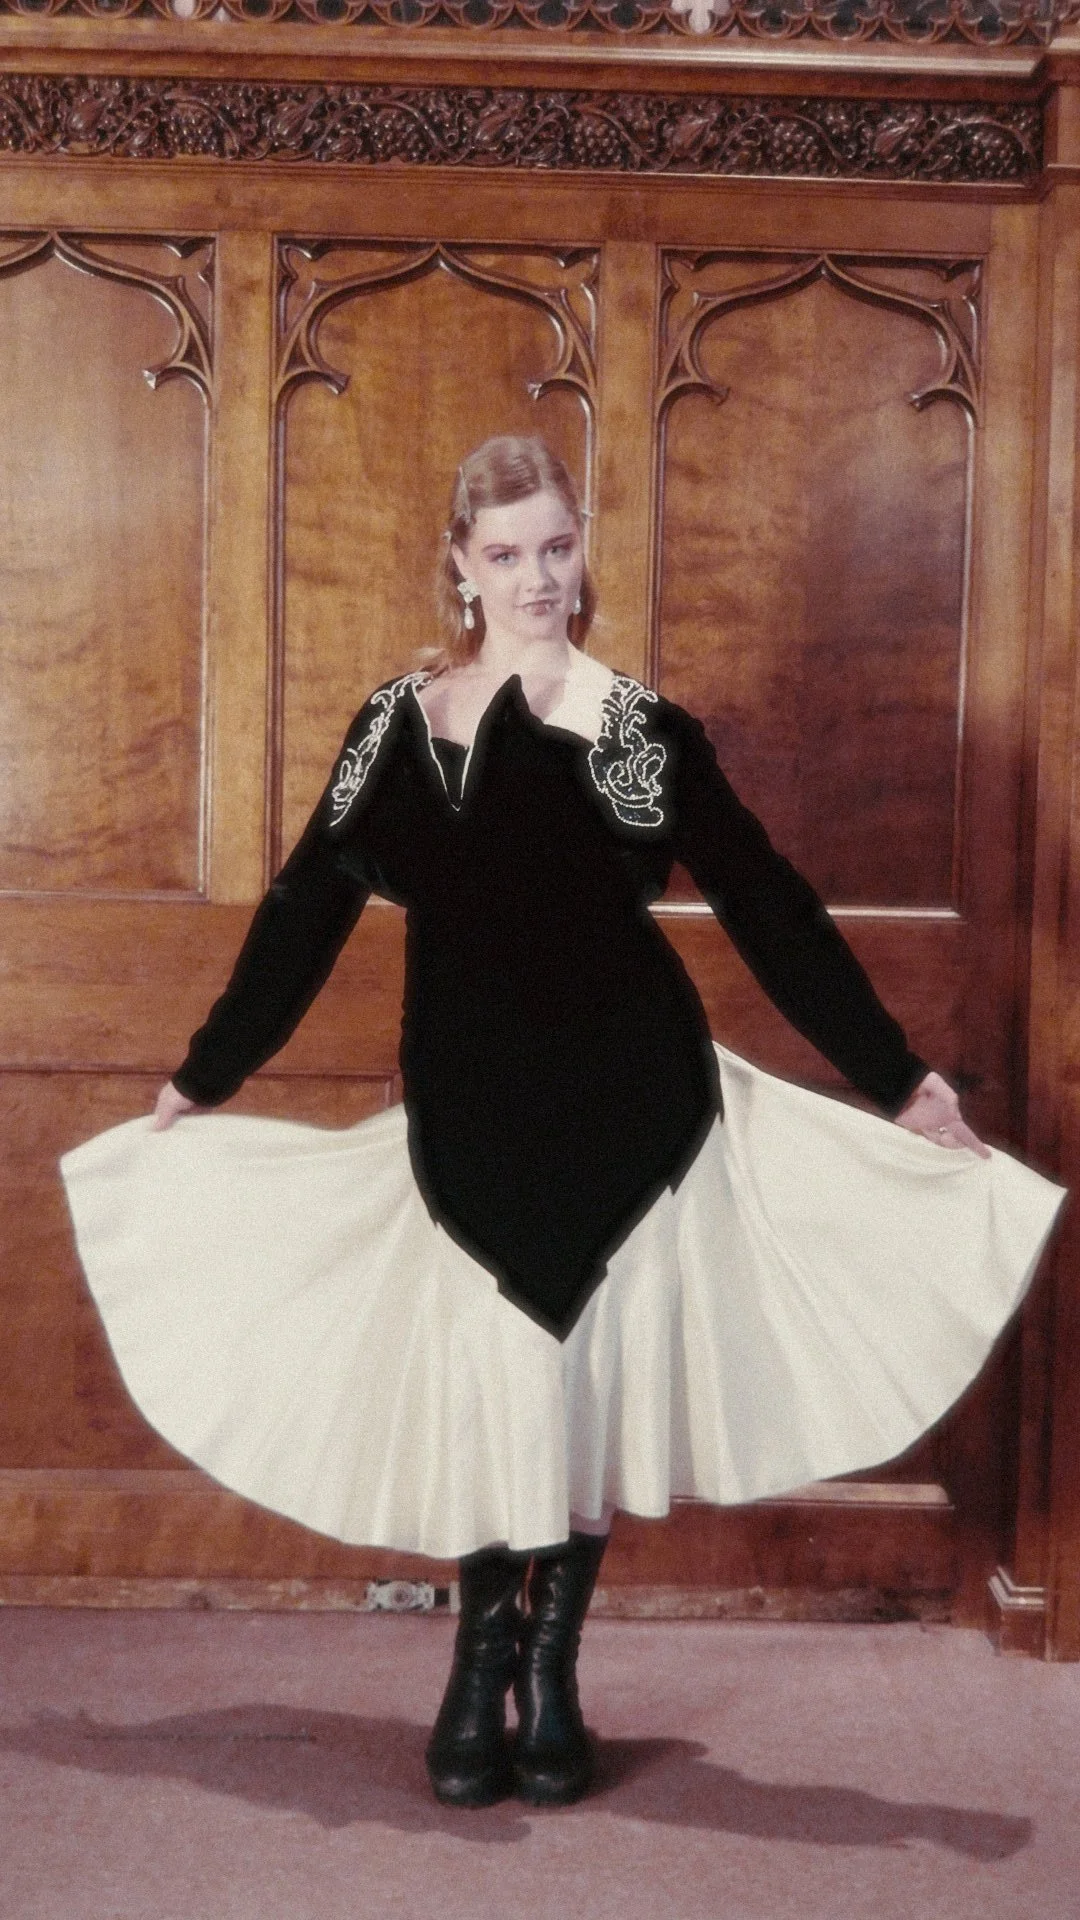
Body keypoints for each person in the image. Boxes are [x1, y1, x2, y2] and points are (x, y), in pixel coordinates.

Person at [63, 435, 1064, 1814]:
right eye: (505, 553)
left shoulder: (643, 730)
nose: (535, 577)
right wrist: (205, 1076)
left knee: (585, 1389)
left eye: (555, 546)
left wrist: (899, 1080)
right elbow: (304, 910)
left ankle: (552, 1672)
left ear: (582, 546)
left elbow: (770, 906)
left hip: (635, 1108)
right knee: (498, 1388)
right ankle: (479, 1665)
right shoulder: (393, 724)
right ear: (460, 566)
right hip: (466, 1110)